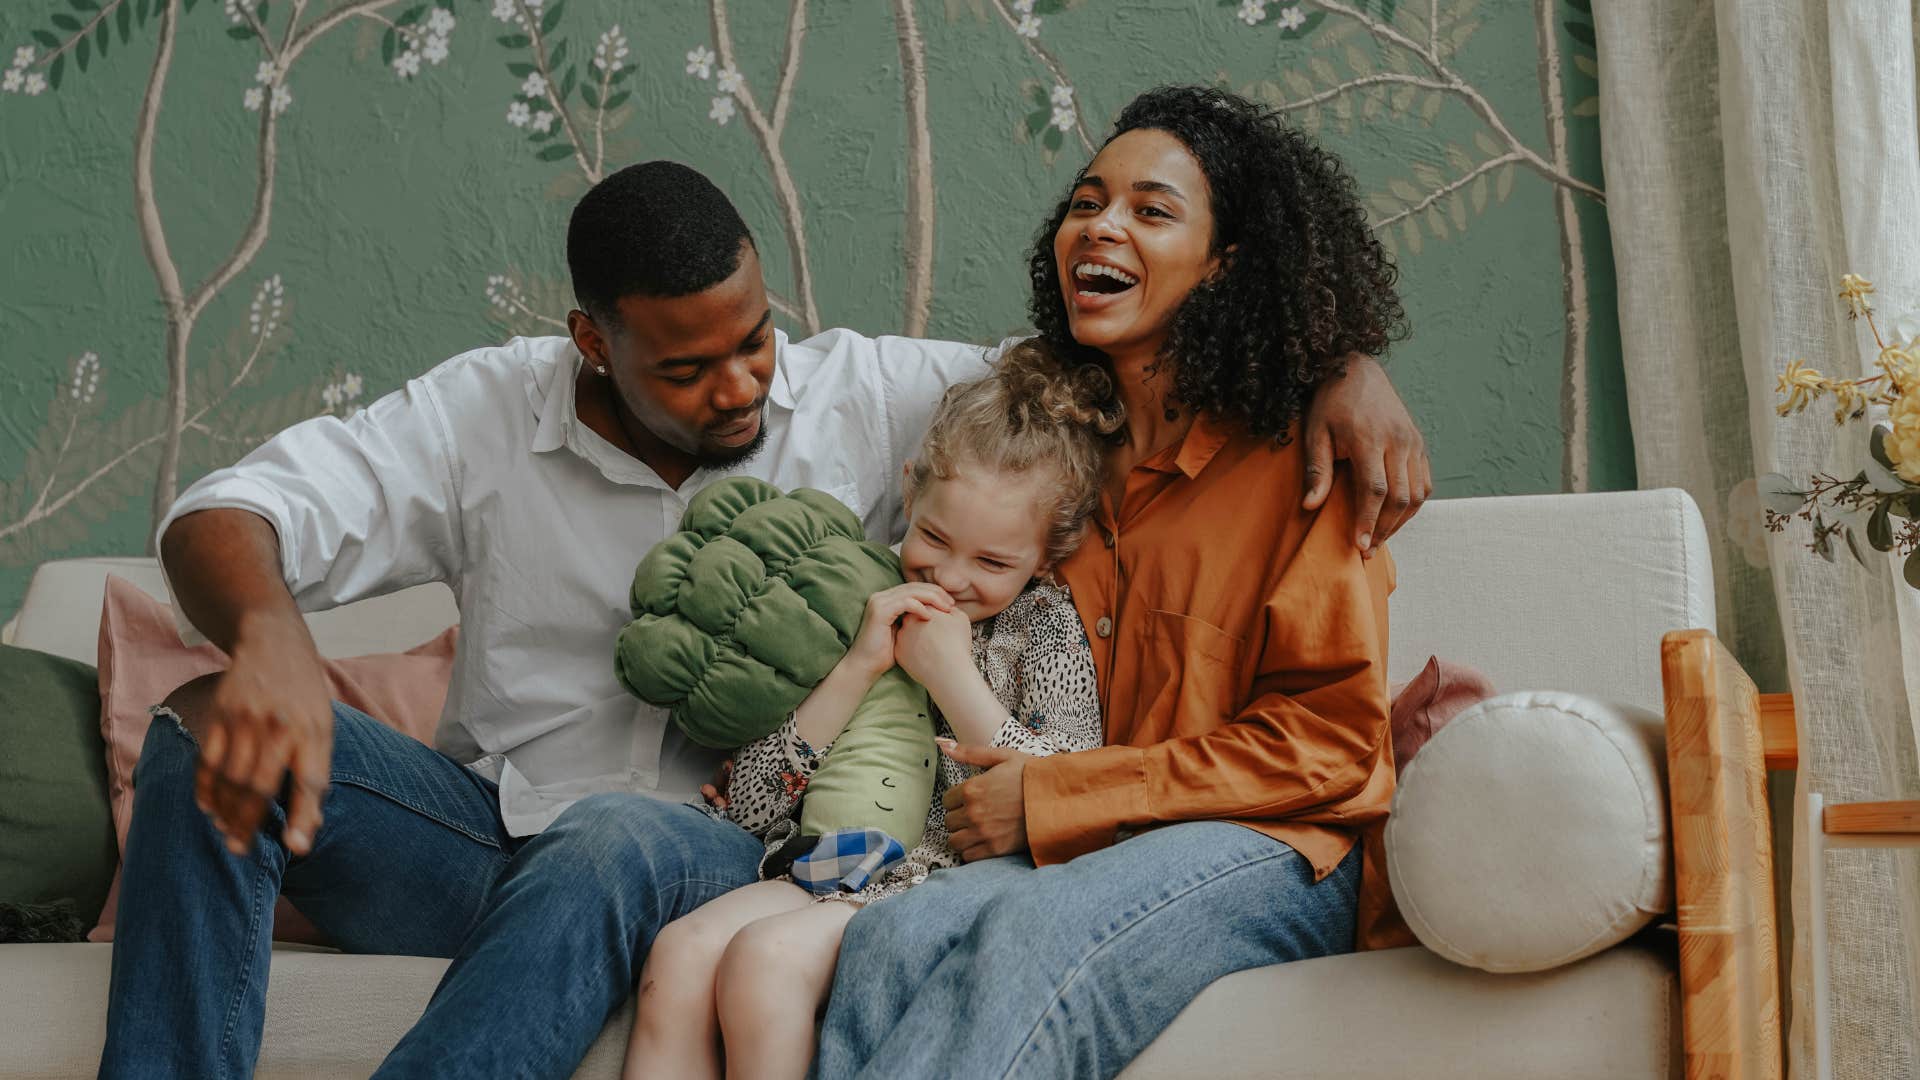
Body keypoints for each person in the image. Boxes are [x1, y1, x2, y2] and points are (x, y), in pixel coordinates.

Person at [98, 157, 1425, 1079]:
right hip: (482, 838)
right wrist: (270, 638)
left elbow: (1118, 367)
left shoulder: (871, 395)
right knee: (195, 726)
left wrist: (1339, 361)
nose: (741, 386)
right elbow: (237, 509)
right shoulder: (480, 415)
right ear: (589, 341)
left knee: (616, 835)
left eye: (756, 340)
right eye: (687, 366)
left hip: (719, 848)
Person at [814, 85, 1413, 1079]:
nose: (1103, 225)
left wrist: (1063, 795)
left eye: (1152, 209)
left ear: (1225, 264)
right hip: (1087, 846)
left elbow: (1335, 746)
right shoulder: (1048, 445)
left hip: (1270, 850)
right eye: (1088, 201)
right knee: (884, 945)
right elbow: (830, 376)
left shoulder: (1303, 458)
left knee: (1036, 938)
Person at [626, 344, 1115, 1080]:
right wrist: (859, 664)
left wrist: (950, 675)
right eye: (935, 539)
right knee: (681, 952)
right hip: (826, 865)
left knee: (764, 960)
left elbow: (1070, 794)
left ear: (1046, 556)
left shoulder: (1041, 626)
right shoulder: (857, 593)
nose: (948, 579)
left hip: (951, 881)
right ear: (911, 491)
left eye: (992, 563)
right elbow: (750, 813)